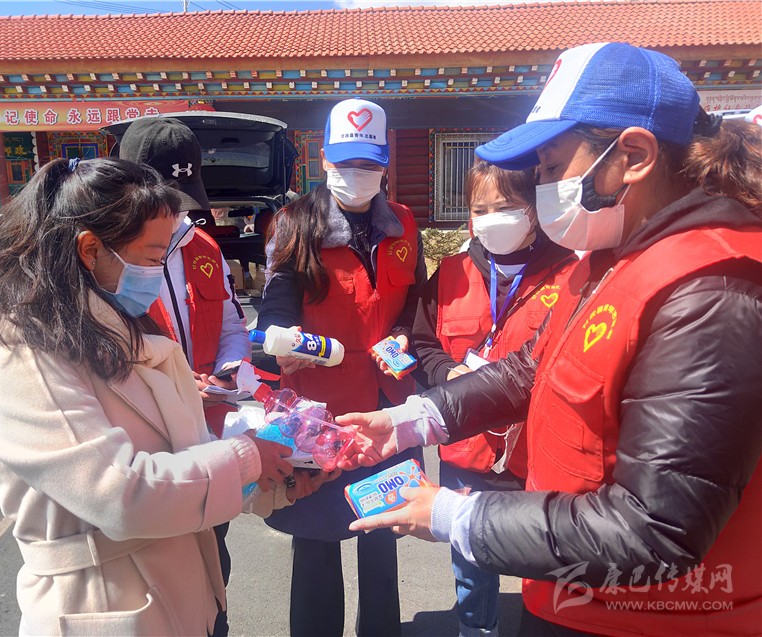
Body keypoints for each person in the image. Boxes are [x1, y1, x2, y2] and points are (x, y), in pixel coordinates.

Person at [337, 42, 762, 636]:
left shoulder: (709, 293)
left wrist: (456, 516)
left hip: (649, 619)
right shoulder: (612, 260)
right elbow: (531, 368)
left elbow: (656, 529)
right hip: (574, 594)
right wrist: (412, 421)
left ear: (634, 156)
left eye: (551, 167)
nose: (541, 187)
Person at [0, 157, 331, 637]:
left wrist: (270, 483)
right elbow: (121, 494)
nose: (158, 273)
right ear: (90, 249)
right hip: (104, 604)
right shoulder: (19, 352)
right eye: (153, 259)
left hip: (184, 593)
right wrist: (248, 459)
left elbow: (181, 455)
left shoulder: (114, 324)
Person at [257, 98, 428, 637]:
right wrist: (283, 343)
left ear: (384, 165)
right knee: (316, 544)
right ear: (325, 160)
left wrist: (403, 336)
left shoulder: (403, 224)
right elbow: (275, 313)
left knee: (382, 539)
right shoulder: (294, 225)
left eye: (368, 165)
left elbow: (417, 302)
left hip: (385, 411)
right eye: (346, 163)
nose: (357, 175)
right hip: (318, 417)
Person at [412, 161, 575, 636]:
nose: (490, 219)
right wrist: (449, 373)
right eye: (479, 209)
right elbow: (422, 343)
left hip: (536, 455)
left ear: (533, 209)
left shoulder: (573, 273)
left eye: (504, 207)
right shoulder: (450, 274)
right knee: (470, 568)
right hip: (466, 451)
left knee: (544, 567)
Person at [116, 117, 256, 635]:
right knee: (156, 580)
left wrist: (228, 372)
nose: (175, 215)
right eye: (163, 202)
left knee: (215, 561)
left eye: (181, 201)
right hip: (146, 453)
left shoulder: (205, 249)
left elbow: (233, 325)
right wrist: (175, 388)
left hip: (205, 437)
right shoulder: (105, 261)